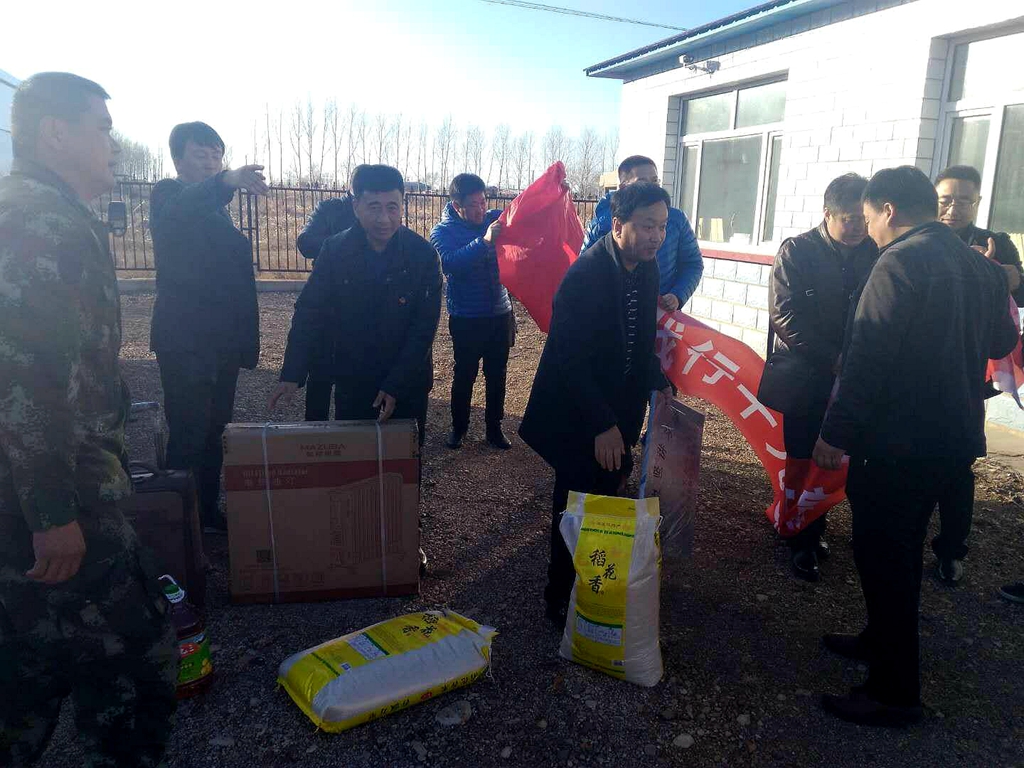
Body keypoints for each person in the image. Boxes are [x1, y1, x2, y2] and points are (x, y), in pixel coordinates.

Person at [0, 72, 177, 767]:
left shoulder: (29, 208)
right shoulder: (41, 223)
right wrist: (51, 512)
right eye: (102, 129)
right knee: (135, 664)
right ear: (56, 133)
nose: (114, 143)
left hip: (27, 492)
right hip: (53, 499)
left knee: (26, 667)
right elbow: (29, 377)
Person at [812, 166, 1018, 727]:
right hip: (953, 440)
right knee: (897, 554)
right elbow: (1003, 340)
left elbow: (867, 358)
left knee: (887, 560)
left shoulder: (898, 262)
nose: (869, 228)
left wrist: (834, 433)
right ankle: (879, 640)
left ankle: (894, 693)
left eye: (870, 216)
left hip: (897, 444)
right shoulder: (979, 265)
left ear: (889, 211)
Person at [269, 165, 441, 573]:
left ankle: (406, 535)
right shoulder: (335, 251)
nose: (384, 218)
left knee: (404, 462)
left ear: (403, 206)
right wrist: (292, 373)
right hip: (353, 377)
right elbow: (309, 312)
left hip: (405, 381)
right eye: (374, 207)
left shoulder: (422, 255)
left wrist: (396, 385)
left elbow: (424, 329)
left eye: (393, 207)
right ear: (355, 206)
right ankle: (356, 537)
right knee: (355, 460)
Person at [520, 182, 674, 627]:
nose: (656, 236)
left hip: (618, 405)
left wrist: (658, 380)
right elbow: (569, 359)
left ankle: (595, 584)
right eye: (647, 226)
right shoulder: (585, 276)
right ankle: (558, 595)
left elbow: (641, 340)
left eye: (662, 227)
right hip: (576, 411)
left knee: (608, 491)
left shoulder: (647, 268)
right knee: (574, 499)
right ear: (618, 224)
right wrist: (602, 425)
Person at [150, 122, 266, 533]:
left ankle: (205, 510)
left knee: (216, 429)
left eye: (217, 155)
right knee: (189, 432)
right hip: (186, 341)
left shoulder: (216, 209)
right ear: (178, 159)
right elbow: (185, 208)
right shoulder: (168, 195)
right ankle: (178, 524)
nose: (212, 162)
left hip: (220, 343)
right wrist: (224, 181)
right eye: (201, 154)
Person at [762, 174, 878, 581]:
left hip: (856, 375)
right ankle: (801, 537)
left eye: (863, 219)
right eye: (849, 219)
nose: (858, 227)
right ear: (827, 214)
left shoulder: (876, 251)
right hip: (808, 375)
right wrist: (833, 358)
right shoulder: (798, 251)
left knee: (845, 456)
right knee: (802, 454)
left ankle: (824, 525)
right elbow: (784, 315)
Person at [931, 164, 1024, 585]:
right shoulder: (917, 237)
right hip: (917, 370)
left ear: (978, 202)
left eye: (964, 200)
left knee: (957, 466)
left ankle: (951, 551)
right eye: (946, 199)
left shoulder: (994, 242)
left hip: (969, 374)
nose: (954, 208)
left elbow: (1019, 290)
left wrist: (1007, 276)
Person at [430, 173, 513, 450]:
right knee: (465, 374)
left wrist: (554, 193)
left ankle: (494, 429)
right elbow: (450, 263)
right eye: (474, 205)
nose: (481, 209)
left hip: (499, 312)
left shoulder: (494, 219)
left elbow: (525, 212)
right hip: (466, 316)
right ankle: (459, 428)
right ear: (457, 206)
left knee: (497, 374)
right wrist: (484, 242)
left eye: (483, 202)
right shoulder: (442, 232)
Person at [581, 155, 703, 312]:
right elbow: (584, 270)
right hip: (611, 312)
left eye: (655, 181)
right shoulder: (602, 224)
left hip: (660, 313)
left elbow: (693, 263)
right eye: (643, 182)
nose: (656, 237)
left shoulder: (676, 220)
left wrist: (677, 295)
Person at [295, 172, 360, 421]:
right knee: (320, 373)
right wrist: (343, 244)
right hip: (328, 299)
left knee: (356, 374)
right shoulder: (330, 209)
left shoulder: (378, 209)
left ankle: (353, 430)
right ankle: (315, 430)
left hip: (363, 300)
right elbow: (305, 242)